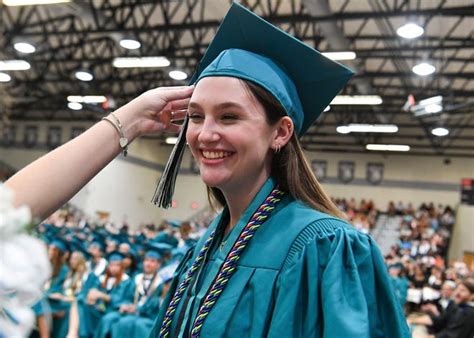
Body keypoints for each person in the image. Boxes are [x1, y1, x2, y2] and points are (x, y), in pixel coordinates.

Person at [6, 3, 409, 337]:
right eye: (196, 116)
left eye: (229, 117)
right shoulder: (205, 248)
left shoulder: (326, 248)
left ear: (280, 133)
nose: (205, 134)